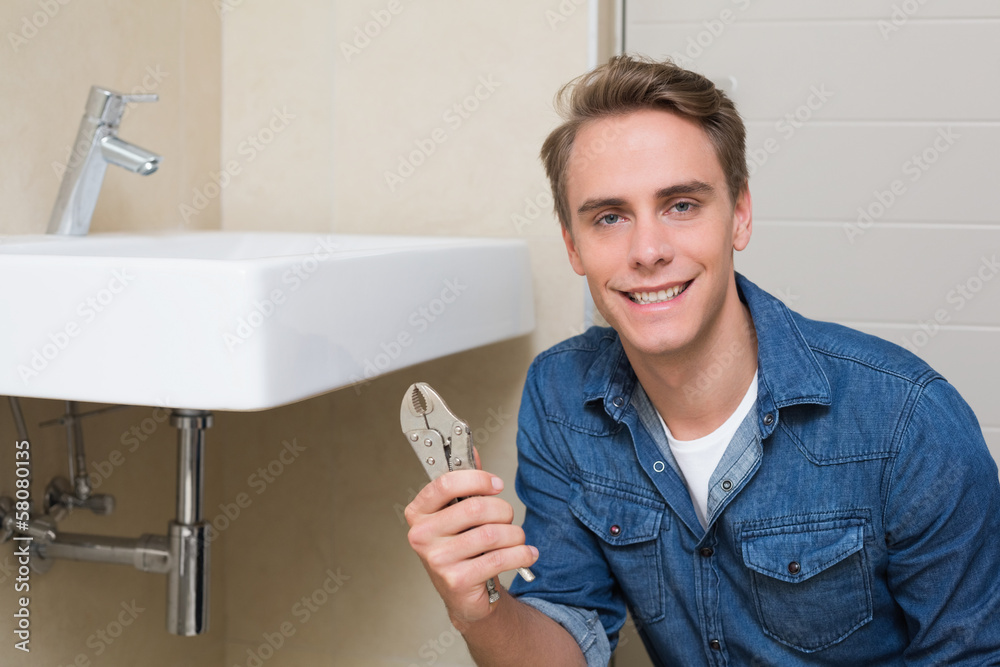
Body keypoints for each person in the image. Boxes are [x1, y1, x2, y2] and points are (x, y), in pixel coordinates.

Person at [404, 54, 1000, 666]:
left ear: (739, 214)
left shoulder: (909, 420)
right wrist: (479, 609)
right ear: (572, 245)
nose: (648, 251)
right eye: (610, 217)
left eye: (681, 205)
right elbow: (565, 641)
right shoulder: (560, 396)